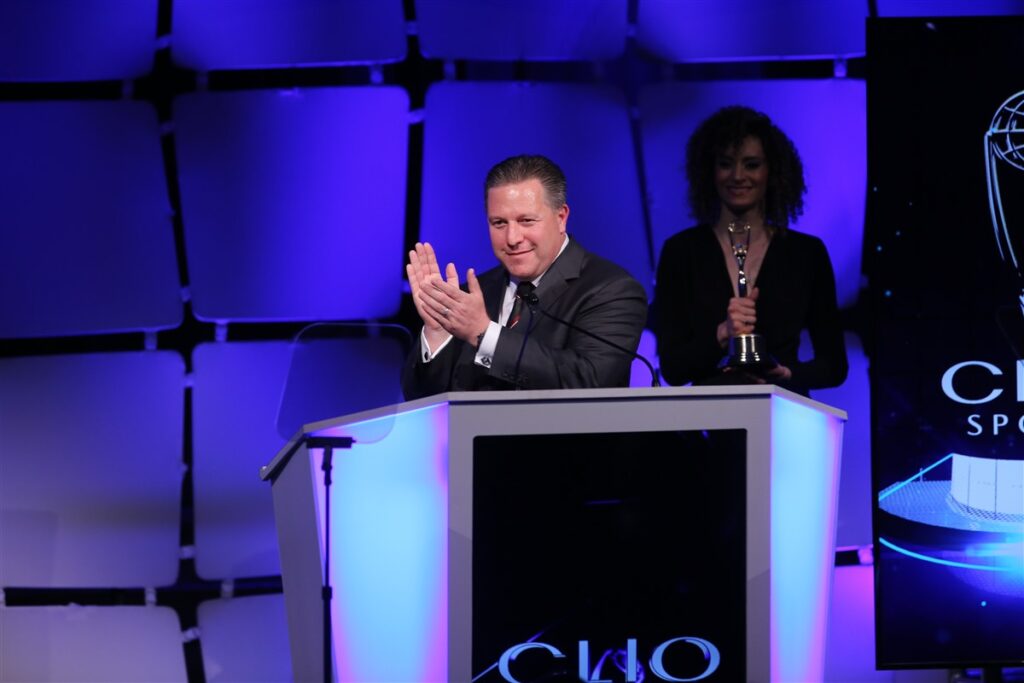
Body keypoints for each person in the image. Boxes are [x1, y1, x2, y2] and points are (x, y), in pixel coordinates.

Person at [402, 154, 648, 400]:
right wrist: (438, 334)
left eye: (526, 221)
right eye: (499, 223)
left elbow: (588, 380)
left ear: (561, 218)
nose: (512, 238)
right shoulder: (468, 298)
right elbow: (422, 402)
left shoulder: (612, 289)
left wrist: (484, 334)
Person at [652, 106, 847, 396]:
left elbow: (834, 366)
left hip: (783, 414)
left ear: (772, 171)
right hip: (709, 417)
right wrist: (721, 334)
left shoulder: (807, 253)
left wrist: (788, 374)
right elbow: (673, 368)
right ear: (710, 171)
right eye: (726, 164)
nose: (738, 176)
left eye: (751, 164)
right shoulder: (681, 252)